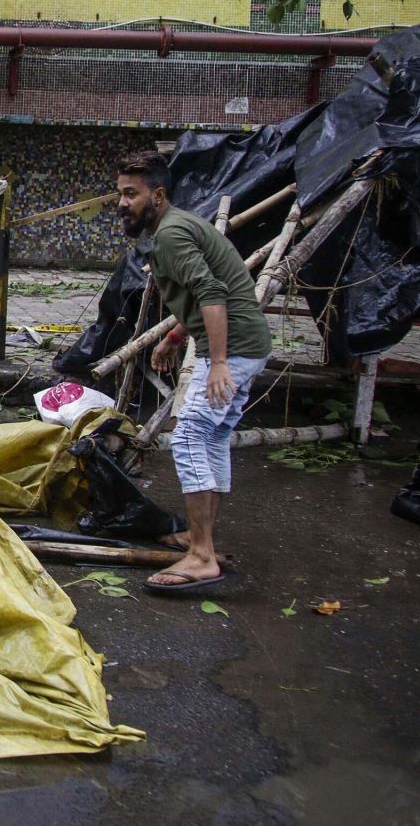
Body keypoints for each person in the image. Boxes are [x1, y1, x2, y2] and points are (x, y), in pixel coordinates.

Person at [114, 151, 271, 592]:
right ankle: (199, 539)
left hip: (233, 349)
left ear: (157, 195)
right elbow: (202, 292)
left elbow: (213, 292)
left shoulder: (172, 236)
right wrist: (173, 337)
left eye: (132, 194)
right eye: (120, 193)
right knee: (213, 436)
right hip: (245, 344)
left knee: (189, 437)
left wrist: (219, 362)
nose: (122, 202)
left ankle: (201, 555)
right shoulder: (177, 226)